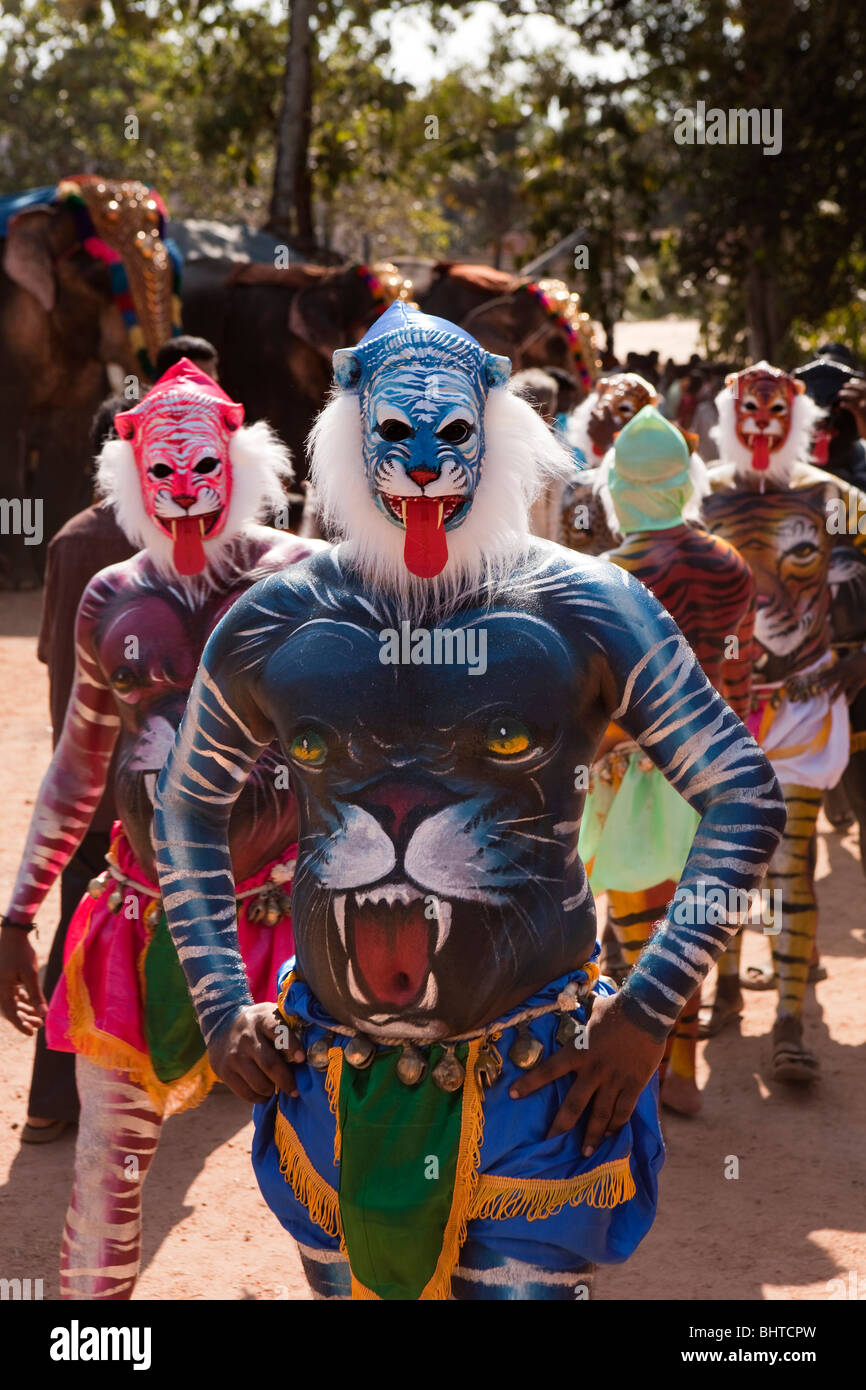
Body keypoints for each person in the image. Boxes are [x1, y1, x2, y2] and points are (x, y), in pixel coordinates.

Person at [154, 304, 784, 1301]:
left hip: (540, 1091)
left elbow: (742, 792)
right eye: (392, 436)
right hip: (332, 1091)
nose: (418, 464)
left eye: (449, 434)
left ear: (494, 434)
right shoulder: (277, 617)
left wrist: (648, 1006)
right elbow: (188, 806)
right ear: (349, 436)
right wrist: (221, 997)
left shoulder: (587, 605)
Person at [0, 359, 324, 1299]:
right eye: (163, 476)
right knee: (107, 1172)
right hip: (143, 915)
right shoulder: (107, 595)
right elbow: (78, 765)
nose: (184, 496)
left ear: (243, 465)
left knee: (328, 1171)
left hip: (294, 923)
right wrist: (18, 916)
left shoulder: (305, 580)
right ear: (130, 481)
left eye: (203, 470)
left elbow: (362, 752)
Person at [578, 406, 755, 1115]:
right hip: (715, 760)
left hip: (631, 770)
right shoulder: (730, 563)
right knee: (695, 912)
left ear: (619, 488)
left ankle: (647, 1076)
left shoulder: (609, 574)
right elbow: (740, 672)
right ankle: (681, 1066)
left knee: (641, 921)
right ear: (684, 483)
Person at [702, 363, 866, 1080]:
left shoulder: (831, 498)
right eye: (749, 407)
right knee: (728, 857)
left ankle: (790, 1021)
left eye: (775, 408)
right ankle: (731, 983)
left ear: (796, 415)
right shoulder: (701, 495)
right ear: (727, 412)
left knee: (791, 860)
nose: (761, 420)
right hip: (723, 708)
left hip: (801, 703)